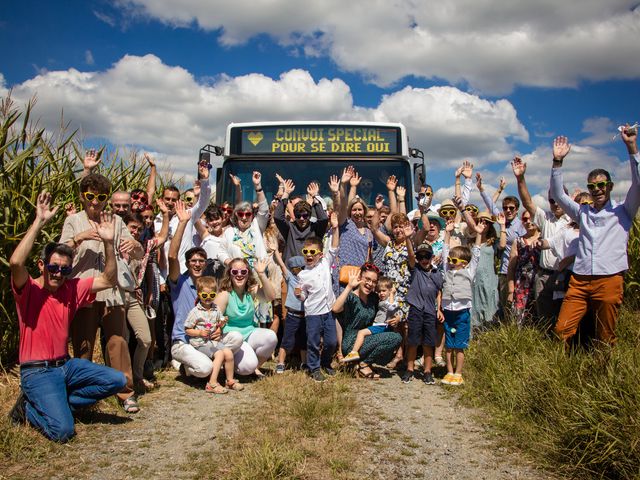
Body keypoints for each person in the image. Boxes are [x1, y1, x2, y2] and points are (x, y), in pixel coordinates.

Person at [9, 191, 126, 442]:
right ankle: (28, 409)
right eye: (53, 267)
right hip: (37, 371)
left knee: (117, 380)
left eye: (64, 269)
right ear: (42, 266)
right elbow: (16, 262)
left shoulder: (72, 288)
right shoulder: (28, 289)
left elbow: (108, 279)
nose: (58, 273)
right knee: (63, 432)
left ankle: (59, 403)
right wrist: (39, 221)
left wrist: (108, 242)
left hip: (66, 366)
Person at [60, 173, 144, 413]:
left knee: (118, 342)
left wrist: (134, 246)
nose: (94, 202)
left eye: (100, 197)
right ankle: (82, 396)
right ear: (81, 196)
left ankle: (126, 392)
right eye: (89, 196)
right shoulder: (74, 221)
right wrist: (80, 237)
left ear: (106, 198)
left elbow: (137, 252)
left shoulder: (117, 221)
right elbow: (60, 252)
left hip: (112, 291)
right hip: (83, 290)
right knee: (83, 345)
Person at [550, 129, 639, 345]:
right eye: (592, 186)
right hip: (580, 280)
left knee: (605, 335)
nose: (597, 189)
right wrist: (557, 162)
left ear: (609, 187)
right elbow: (559, 195)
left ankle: (604, 371)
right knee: (562, 329)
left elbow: (638, 184)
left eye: (601, 185)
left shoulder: (623, 211)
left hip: (609, 278)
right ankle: (562, 369)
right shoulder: (583, 213)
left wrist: (631, 148)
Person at [168, 201, 244, 380]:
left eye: (201, 261)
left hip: (207, 339)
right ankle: (185, 365)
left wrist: (219, 328)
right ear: (187, 263)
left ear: (206, 263)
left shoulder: (210, 285)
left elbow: (216, 315)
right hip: (184, 341)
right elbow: (172, 256)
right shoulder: (179, 282)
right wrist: (182, 223)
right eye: (193, 261)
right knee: (205, 369)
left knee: (236, 338)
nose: (197, 264)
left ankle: (208, 358)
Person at [511, 156, 571, 327]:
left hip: (567, 274)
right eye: (552, 200)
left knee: (565, 317)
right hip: (544, 274)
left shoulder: (574, 219)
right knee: (544, 317)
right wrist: (520, 178)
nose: (555, 204)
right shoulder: (546, 218)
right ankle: (547, 349)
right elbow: (527, 202)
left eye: (559, 199)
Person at [333, 264, 402, 379]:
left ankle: (360, 363)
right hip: (351, 342)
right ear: (360, 278)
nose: (370, 284)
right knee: (395, 338)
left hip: (369, 336)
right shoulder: (350, 297)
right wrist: (349, 287)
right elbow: (335, 308)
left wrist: (397, 318)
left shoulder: (374, 298)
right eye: (367, 279)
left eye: (374, 281)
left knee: (396, 338)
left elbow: (388, 308)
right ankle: (363, 365)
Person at [214, 258, 278, 376]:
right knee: (247, 367)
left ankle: (254, 367)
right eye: (235, 272)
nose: (239, 275)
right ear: (229, 274)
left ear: (248, 274)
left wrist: (261, 274)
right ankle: (234, 365)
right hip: (232, 338)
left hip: (249, 332)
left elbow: (271, 296)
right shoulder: (224, 294)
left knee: (271, 337)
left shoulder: (251, 290)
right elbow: (213, 320)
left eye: (243, 272)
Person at [295, 215, 340, 382]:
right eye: (305, 252)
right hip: (313, 313)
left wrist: (335, 228)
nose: (308, 255)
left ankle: (326, 363)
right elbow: (303, 295)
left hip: (328, 310)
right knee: (313, 342)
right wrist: (299, 294)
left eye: (312, 252)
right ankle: (314, 368)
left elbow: (334, 247)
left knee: (331, 342)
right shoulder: (302, 274)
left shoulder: (325, 263)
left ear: (320, 254)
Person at [440, 217, 482, 385]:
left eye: (454, 261)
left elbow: (476, 254)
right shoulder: (446, 271)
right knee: (449, 345)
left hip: (462, 312)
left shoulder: (469, 272)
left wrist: (478, 235)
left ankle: (458, 373)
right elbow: (444, 252)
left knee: (460, 345)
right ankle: (449, 372)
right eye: (450, 260)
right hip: (448, 311)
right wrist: (448, 232)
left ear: (464, 263)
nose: (450, 262)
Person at [184, 276, 243, 393]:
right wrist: (199, 332)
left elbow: (218, 324)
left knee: (229, 353)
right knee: (220, 354)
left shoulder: (216, 309)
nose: (208, 299)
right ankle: (212, 383)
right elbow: (187, 329)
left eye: (211, 295)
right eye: (205, 296)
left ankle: (229, 381)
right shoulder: (195, 312)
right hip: (200, 343)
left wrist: (222, 322)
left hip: (213, 342)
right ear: (199, 294)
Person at [477, 172, 526, 309]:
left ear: (517, 210)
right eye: (505, 208)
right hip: (504, 271)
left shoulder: (521, 226)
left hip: (518, 271)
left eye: (511, 208)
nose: (508, 211)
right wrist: (481, 189)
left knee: (517, 305)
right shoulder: (502, 221)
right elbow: (491, 206)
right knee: (504, 306)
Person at [401, 243, 444, 385]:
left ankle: (427, 371)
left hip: (430, 311)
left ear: (432, 257)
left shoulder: (437, 273)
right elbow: (411, 257)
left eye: (427, 256)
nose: (423, 260)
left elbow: (439, 291)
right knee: (413, 341)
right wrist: (408, 238)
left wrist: (439, 309)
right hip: (416, 309)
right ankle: (410, 369)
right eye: (420, 257)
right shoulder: (416, 270)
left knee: (428, 343)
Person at [341, 277, 398, 363]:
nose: (381, 293)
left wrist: (392, 294)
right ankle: (358, 356)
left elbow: (391, 307)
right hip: (378, 325)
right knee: (365, 335)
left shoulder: (390, 301)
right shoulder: (379, 299)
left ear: (390, 290)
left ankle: (354, 352)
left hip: (381, 325)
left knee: (361, 333)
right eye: (379, 291)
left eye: (384, 291)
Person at [274, 176, 329, 262]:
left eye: (305, 215)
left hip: (311, 271)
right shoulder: (290, 228)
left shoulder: (315, 228)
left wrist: (315, 196)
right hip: (291, 273)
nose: (302, 218)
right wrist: (286, 194)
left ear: (310, 216)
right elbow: (277, 217)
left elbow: (324, 219)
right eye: (298, 216)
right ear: (294, 216)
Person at [273, 253, 307, 374]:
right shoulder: (291, 278)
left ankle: (304, 363)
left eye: (302, 268)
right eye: (296, 269)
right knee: (287, 339)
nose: (298, 271)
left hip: (305, 315)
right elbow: (282, 265)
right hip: (292, 315)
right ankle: (281, 362)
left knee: (304, 340)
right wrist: (276, 252)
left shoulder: (308, 279)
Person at [507, 211, 541, 326]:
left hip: (539, 283)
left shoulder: (545, 239)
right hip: (521, 285)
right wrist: (511, 290)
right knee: (519, 319)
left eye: (531, 218)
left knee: (539, 317)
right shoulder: (518, 241)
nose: (528, 222)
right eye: (525, 219)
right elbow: (511, 267)